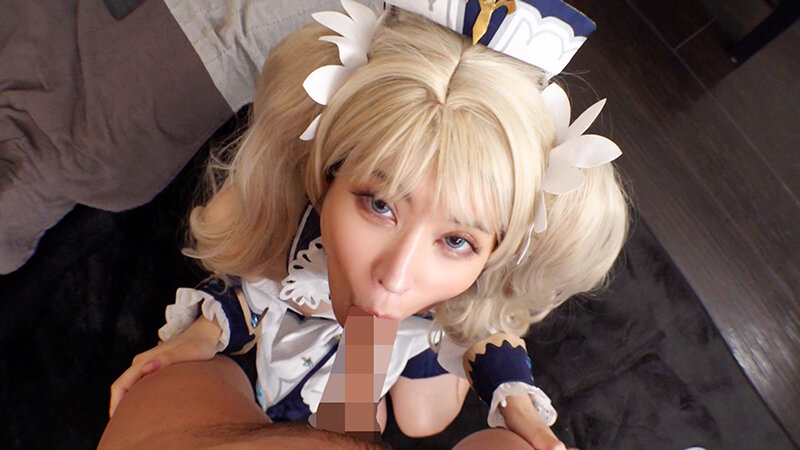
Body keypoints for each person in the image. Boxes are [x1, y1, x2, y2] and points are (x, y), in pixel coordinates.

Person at [106, 1, 628, 448]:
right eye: (379, 205)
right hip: (316, 351)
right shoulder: (292, 232)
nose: (395, 276)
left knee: (418, 416)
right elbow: (254, 287)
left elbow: (482, 332)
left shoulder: (450, 290)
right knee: (354, 413)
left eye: (456, 240)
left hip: (403, 338)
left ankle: (417, 357)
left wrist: (522, 411)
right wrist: (203, 333)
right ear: (326, 177)